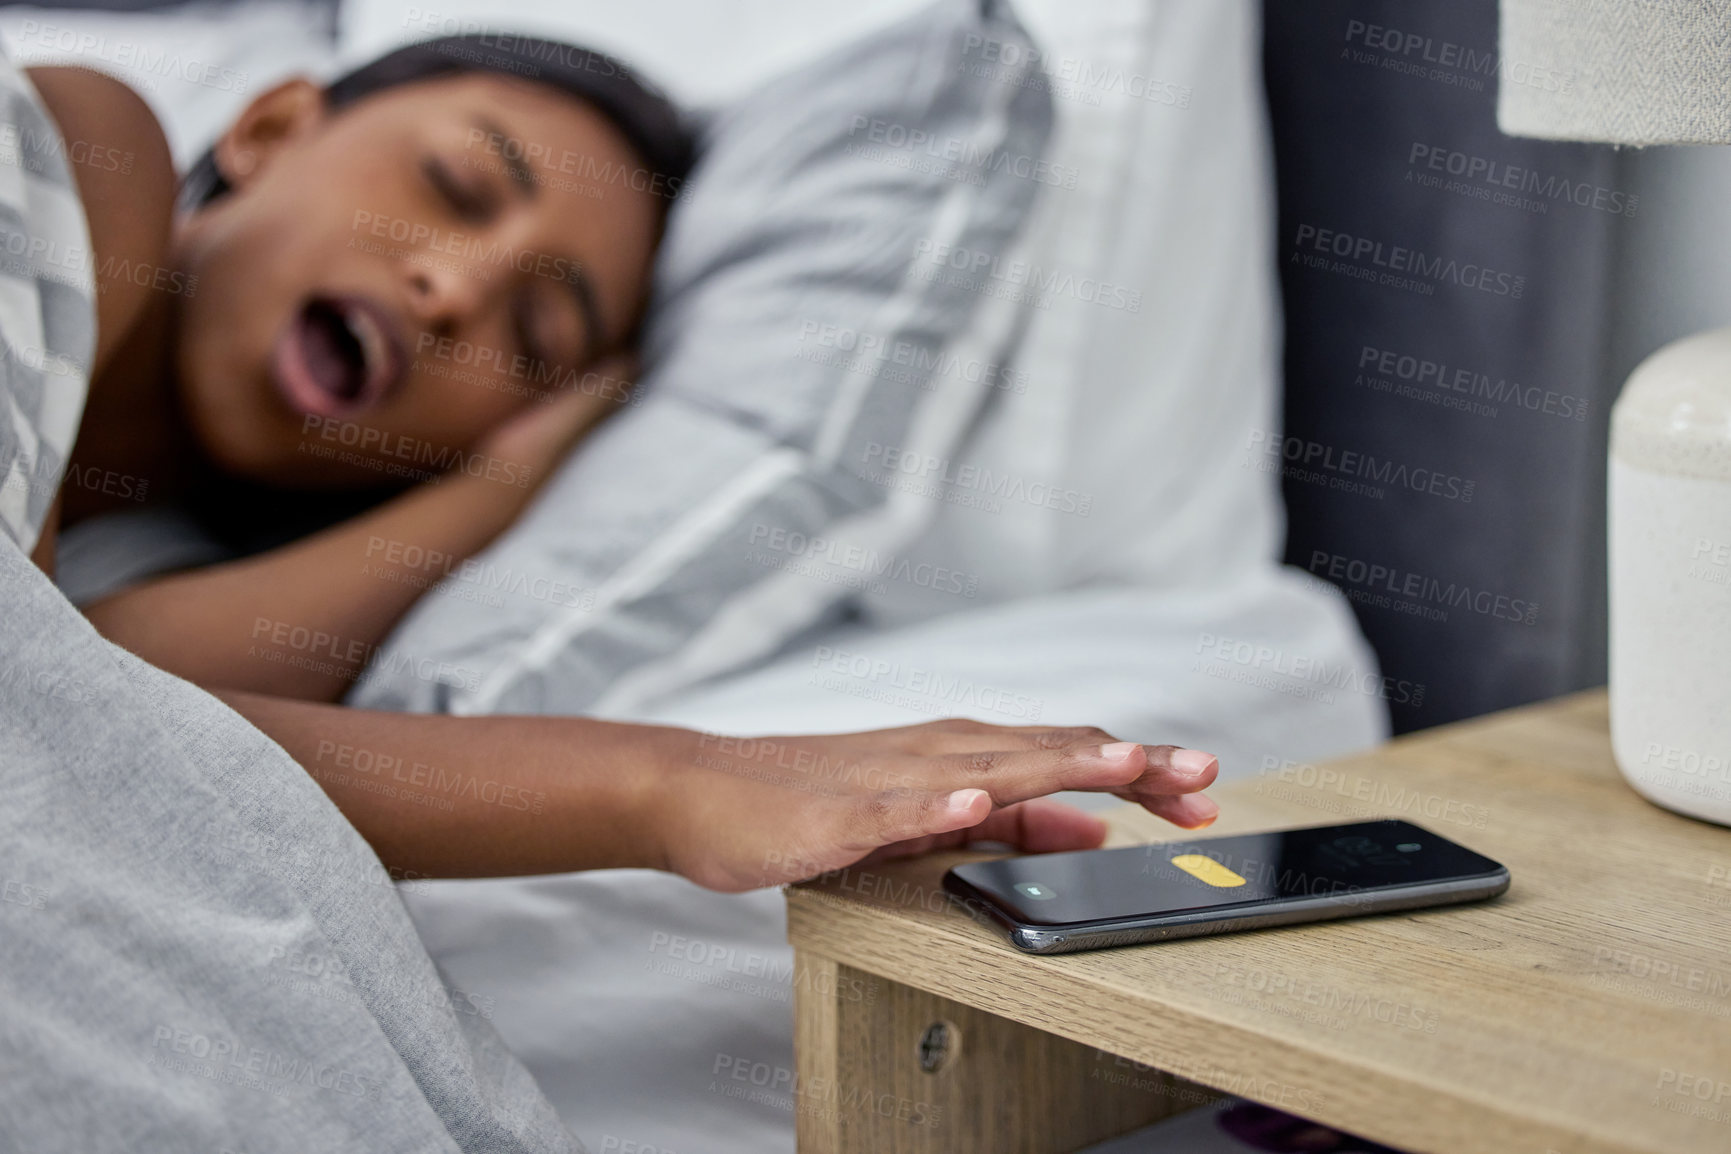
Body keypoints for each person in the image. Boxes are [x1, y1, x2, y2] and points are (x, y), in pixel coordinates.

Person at [0, 35, 1219, 1150]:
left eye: (530, 340)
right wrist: (663, 771)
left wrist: (505, 491)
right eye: (455, 188)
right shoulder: (79, 140)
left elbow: (120, 711)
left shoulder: (147, 554)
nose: (455, 293)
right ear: (269, 130)